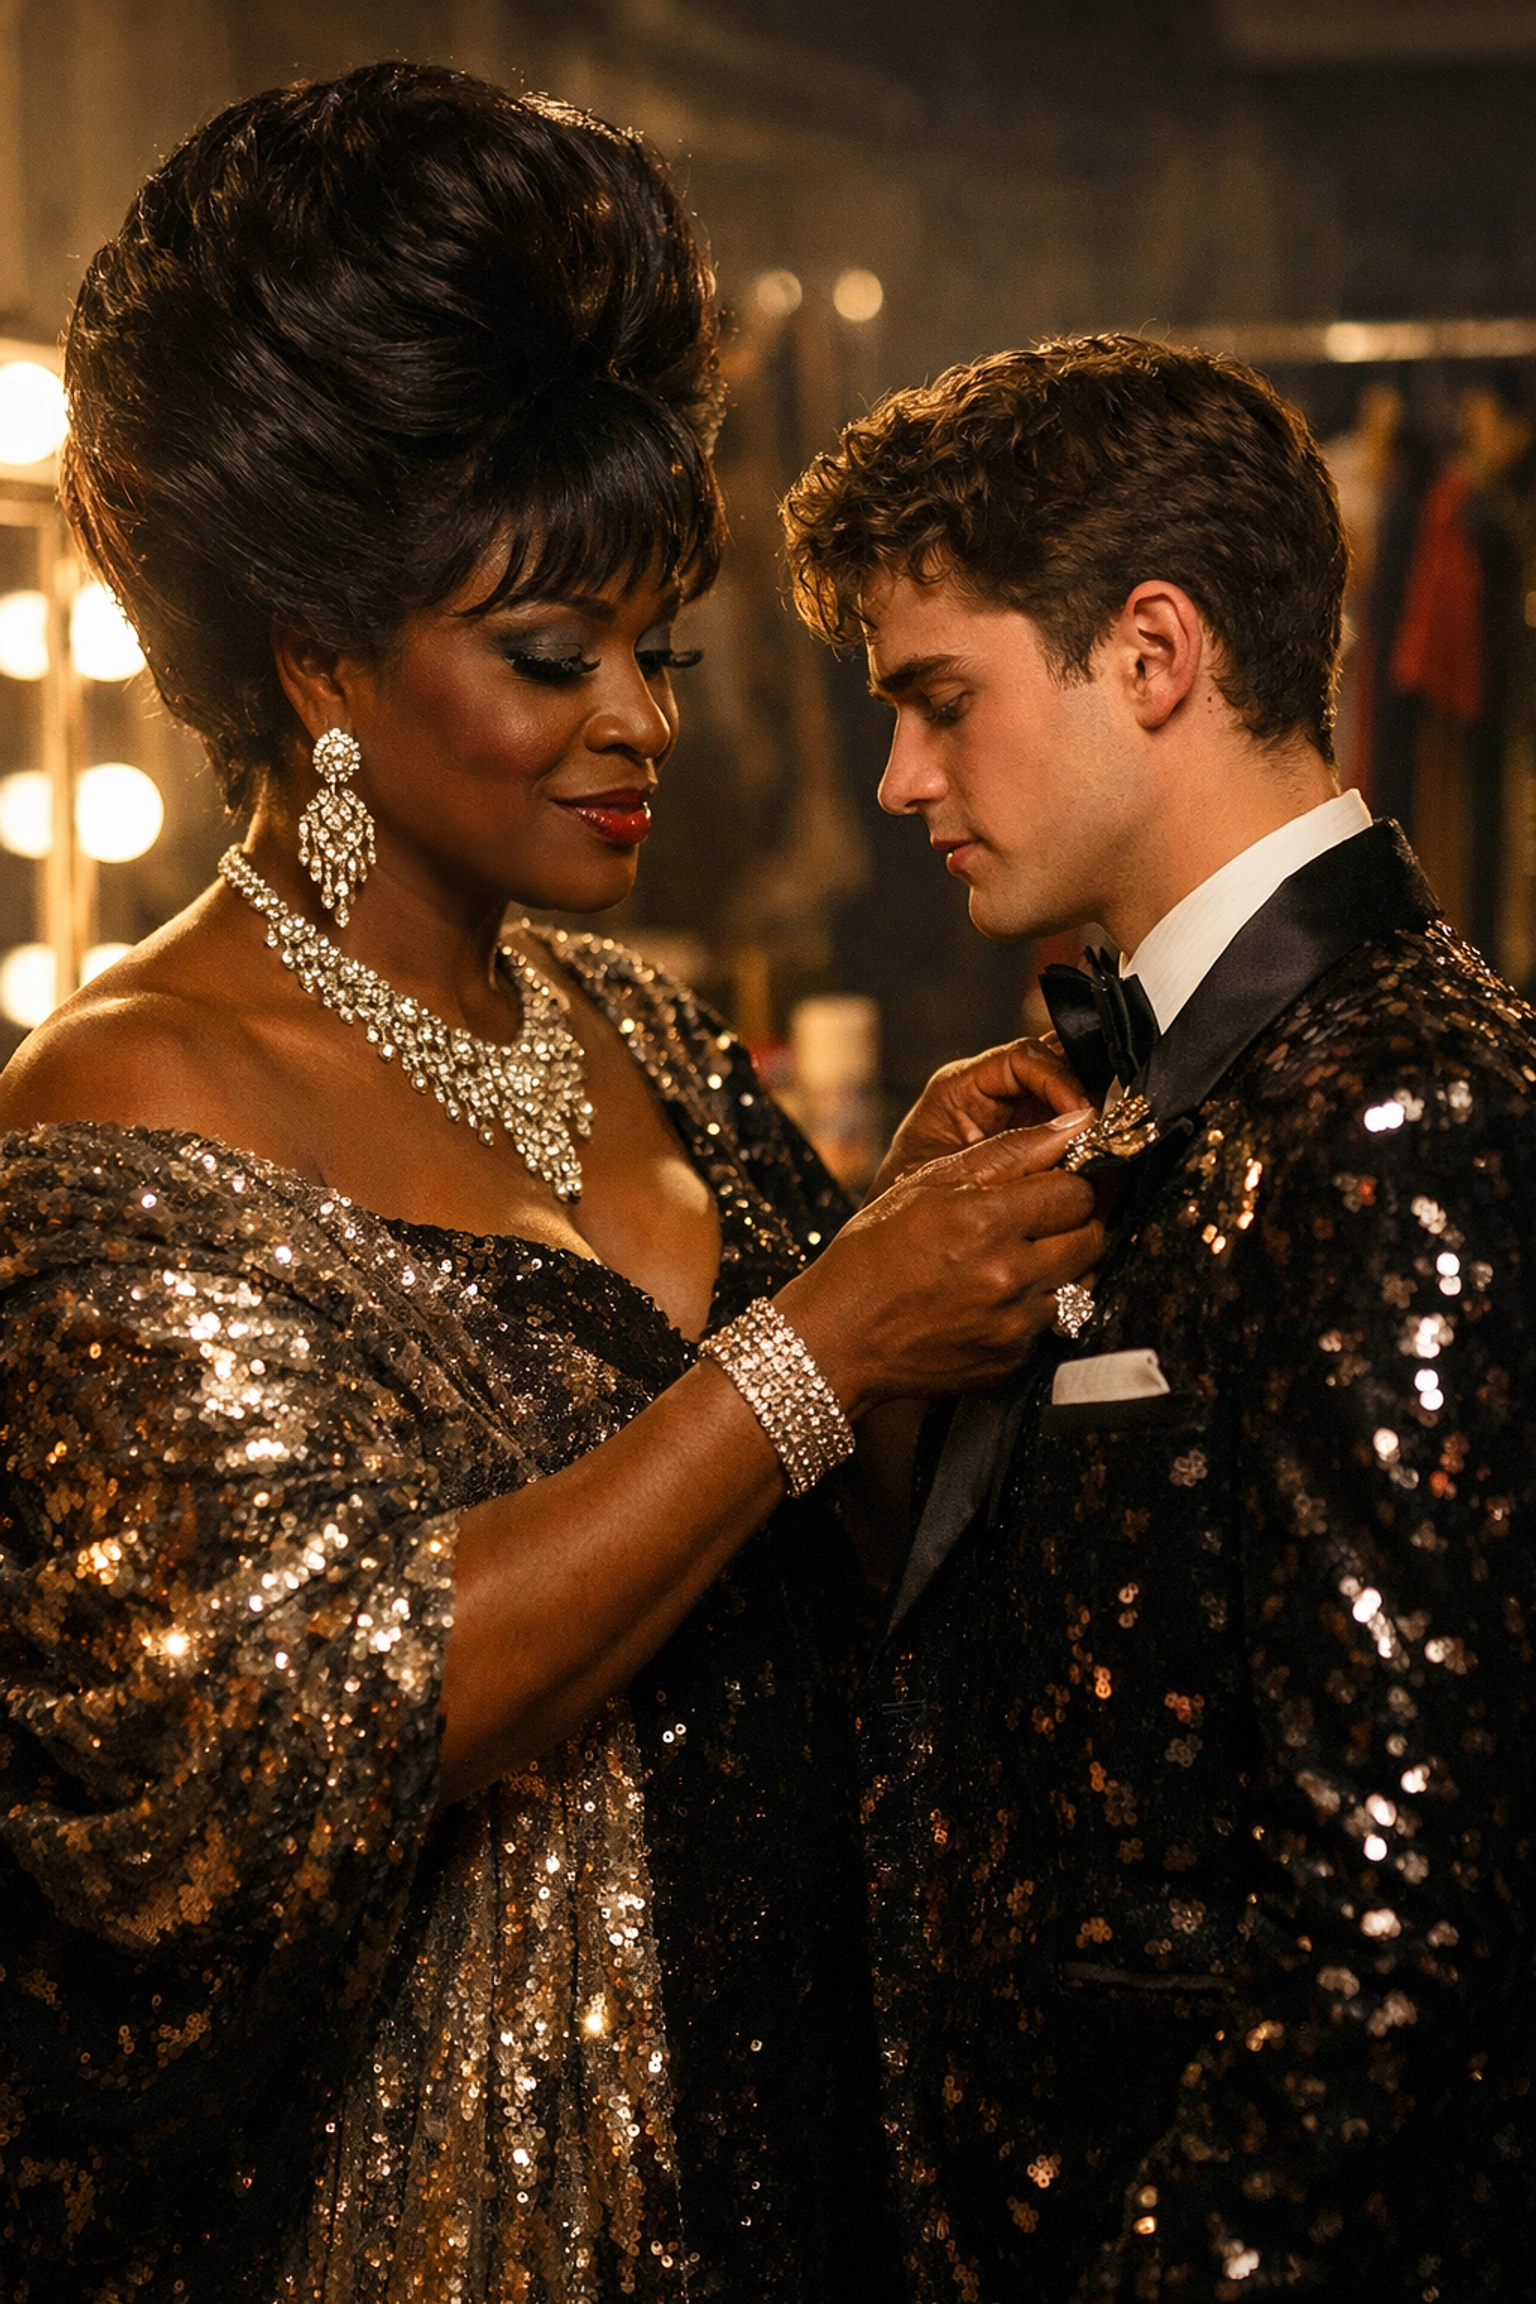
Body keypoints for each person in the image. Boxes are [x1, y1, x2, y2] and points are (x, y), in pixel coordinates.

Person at [0, 68, 1106, 2304]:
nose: (641, 721)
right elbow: (301, 1734)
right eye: (549, 659)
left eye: (654, 650)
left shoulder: (643, 1033)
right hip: (461, 2213)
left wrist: (895, 1258)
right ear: (320, 666)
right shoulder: (128, 1107)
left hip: (795, 2147)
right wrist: (820, 1342)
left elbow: (821, 1564)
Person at [783, 336, 1536, 2299]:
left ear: (1149, 654)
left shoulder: (1397, 1108)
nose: (899, 779)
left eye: (939, 700)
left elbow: (1398, 1938)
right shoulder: (1167, 1083)